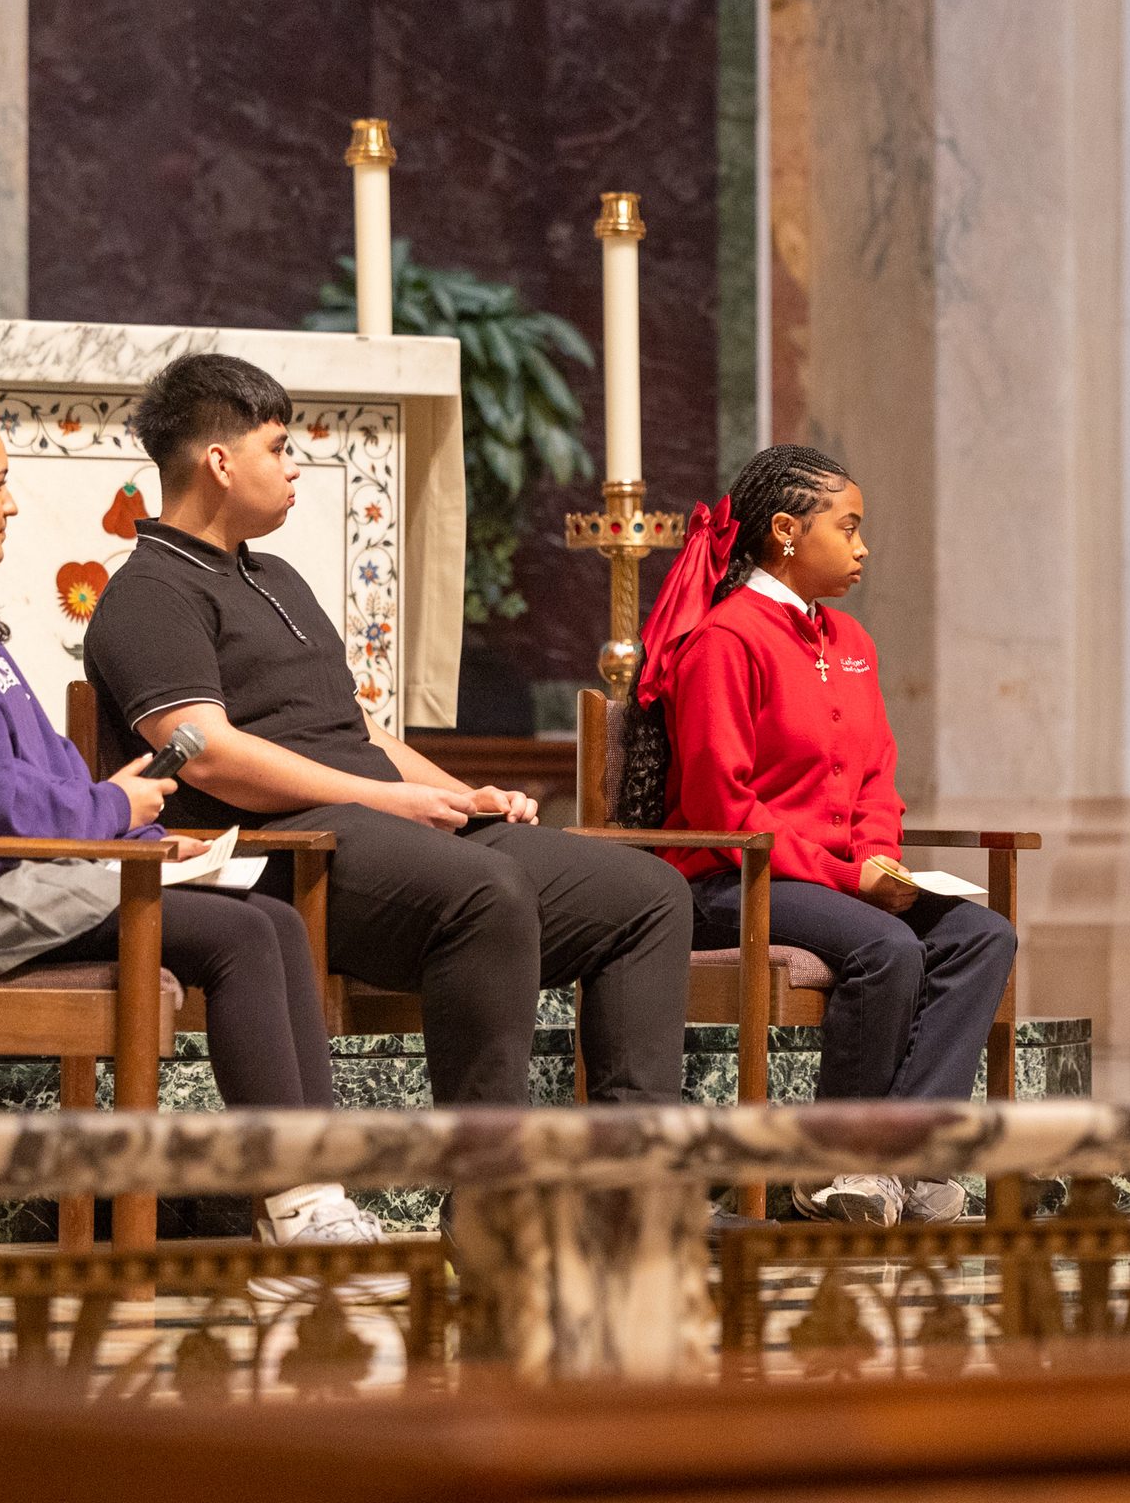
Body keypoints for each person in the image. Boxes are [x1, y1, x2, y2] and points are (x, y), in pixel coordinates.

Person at [0, 391, 399, 1286]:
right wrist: (115, 816)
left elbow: (33, 781)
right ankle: (299, 1211)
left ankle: (311, 1202)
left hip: (10, 875)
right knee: (239, 935)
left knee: (270, 919)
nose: (11, 504)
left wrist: (127, 833)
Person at [82, 353, 694, 1116]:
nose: (292, 467)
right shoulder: (148, 592)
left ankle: (635, 1187)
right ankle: (489, 1193)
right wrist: (389, 800)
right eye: (277, 448)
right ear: (220, 462)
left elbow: (355, 727)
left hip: (374, 827)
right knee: (486, 893)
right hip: (282, 852)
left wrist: (456, 792)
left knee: (648, 894)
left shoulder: (275, 576)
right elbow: (205, 752)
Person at [620, 444, 1017, 1227]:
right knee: (886, 947)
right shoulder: (726, 641)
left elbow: (877, 780)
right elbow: (722, 808)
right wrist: (851, 881)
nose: (864, 546)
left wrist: (881, 863)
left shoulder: (854, 644)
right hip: (728, 881)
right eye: (849, 526)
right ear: (786, 532)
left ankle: (903, 1157)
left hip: (834, 882)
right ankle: (832, 1163)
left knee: (983, 936)